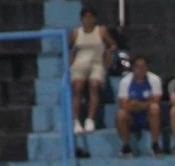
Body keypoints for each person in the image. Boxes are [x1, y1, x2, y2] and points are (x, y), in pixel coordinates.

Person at [69, 6, 117, 135]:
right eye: (85, 17)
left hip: (97, 63)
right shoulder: (76, 33)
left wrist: (108, 52)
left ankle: (90, 119)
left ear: (95, 19)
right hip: (80, 64)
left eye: (91, 17)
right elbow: (68, 47)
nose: (88, 20)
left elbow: (113, 45)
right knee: (78, 87)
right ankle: (77, 121)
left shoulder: (101, 31)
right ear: (81, 19)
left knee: (94, 85)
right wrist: (71, 60)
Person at [116, 54, 164, 158]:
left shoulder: (154, 80)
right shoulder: (125, 82)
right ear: (133, 68)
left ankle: (155, 145)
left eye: (143, 67)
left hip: (147, 116)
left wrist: (135, 104)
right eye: (138, 67)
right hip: (132, 118)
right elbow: (124, 105)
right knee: (121, 114)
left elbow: (155, 102)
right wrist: (145, 104)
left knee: (155, 109)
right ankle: (126, 147)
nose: (141, 69)